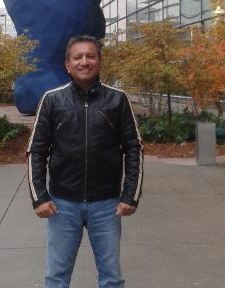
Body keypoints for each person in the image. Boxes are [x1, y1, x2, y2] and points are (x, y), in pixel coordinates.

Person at [27, 35, 144, 288]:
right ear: (67, 65)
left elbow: (134, 148)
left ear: (99, 62)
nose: (84, 61)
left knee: (111, 278)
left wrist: (130, 194)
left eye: (90, 56)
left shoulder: (117, 100)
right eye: (77, 57)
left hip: (107, 204)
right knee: (56, 277)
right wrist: (40, 196)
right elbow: (36, 151)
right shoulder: (52, 100)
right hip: (62, 204)